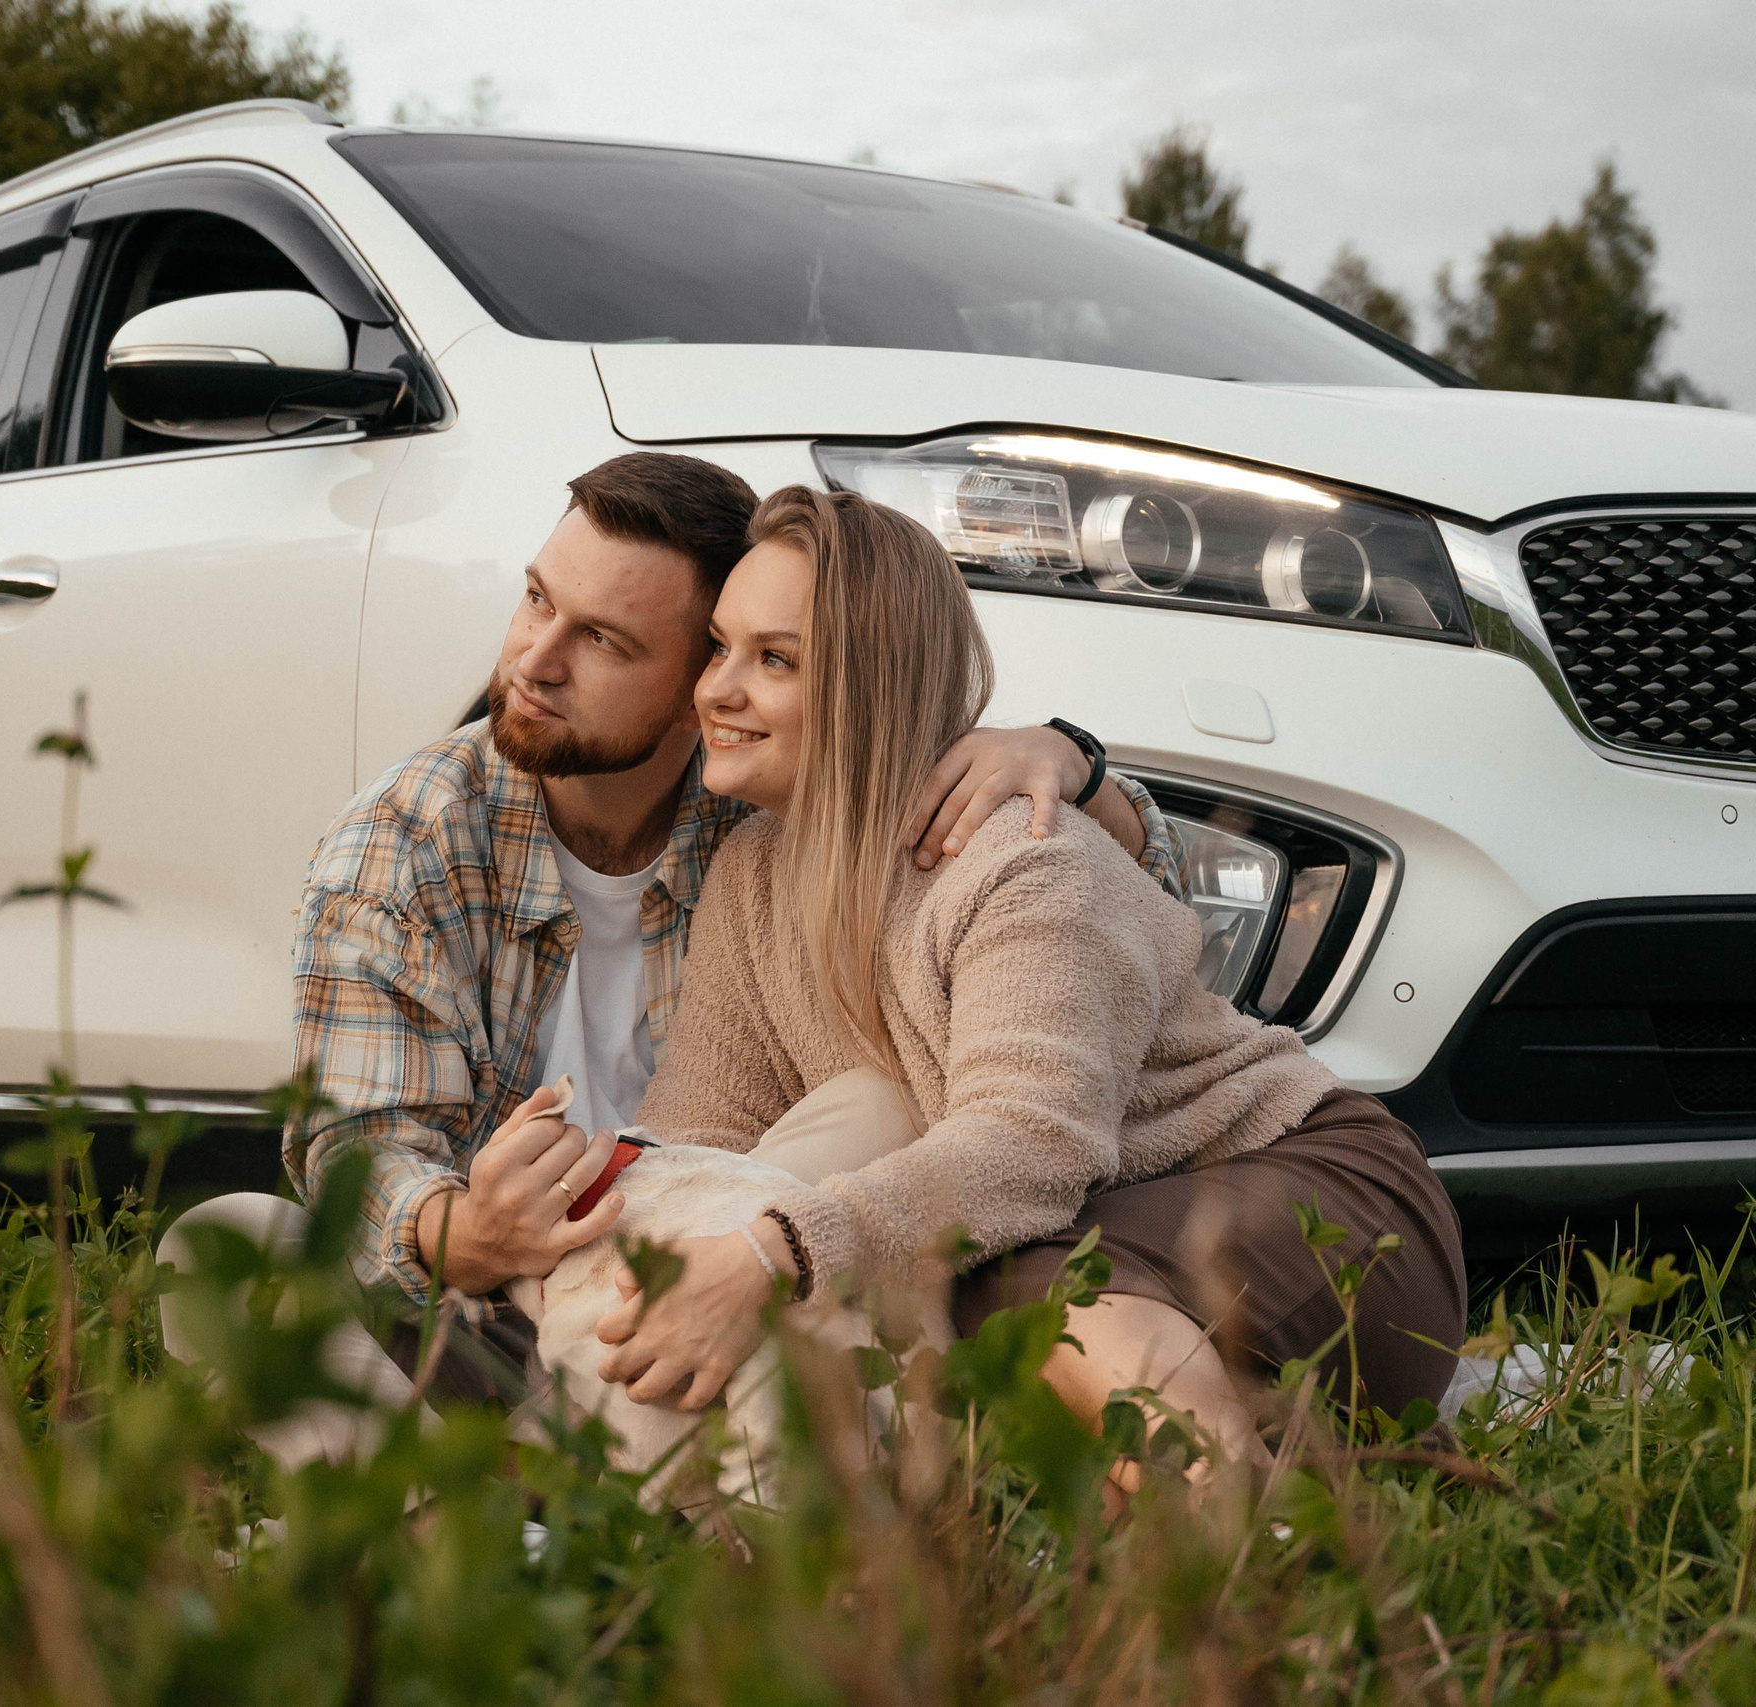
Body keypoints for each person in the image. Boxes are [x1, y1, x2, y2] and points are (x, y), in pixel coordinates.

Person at [158, 453, 1183, 1465]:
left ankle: (576, 1489)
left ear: (700, 670)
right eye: (536, 601)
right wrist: (464, 1229)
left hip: (732, 1266)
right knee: (220, 1246)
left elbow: (1106, 906)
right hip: (500, 1303)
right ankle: (462, 1511)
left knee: (876, 1101)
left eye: (602, 639)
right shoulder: (403, 843)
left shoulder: (764, 789)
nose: (532, 661)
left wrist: (1073, 766)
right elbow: (356, 1149)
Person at [594, 484, 1465, 1463]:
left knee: (1017, 1289)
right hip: (1097, 1232)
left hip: (1312, 1201)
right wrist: (606, 1216)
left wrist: (775, 1252)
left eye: (775, 660)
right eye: (720, 647)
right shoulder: (752, 874)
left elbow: (1030, 1148)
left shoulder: (1015, 855)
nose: (717, 689)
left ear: (870, 682)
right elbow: (706, 1131)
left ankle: (1249, 1542)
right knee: (962, 1305)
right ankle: (1315, 1460)